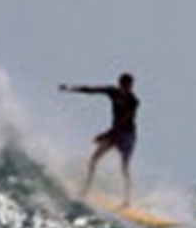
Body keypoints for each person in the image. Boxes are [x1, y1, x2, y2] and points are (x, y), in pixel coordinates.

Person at [59, 72, 140, 205]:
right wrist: (70, 88)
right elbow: (90, 90)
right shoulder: (112, 91)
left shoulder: (134, 101)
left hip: (127, 136)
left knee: (124, 167)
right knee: (94, 159)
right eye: (124, 85)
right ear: (120, 84)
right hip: (115, 133)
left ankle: (127, 201)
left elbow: (125, 120)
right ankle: (85, 189)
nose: (127, 88)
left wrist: (108, 133)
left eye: (129, 86)